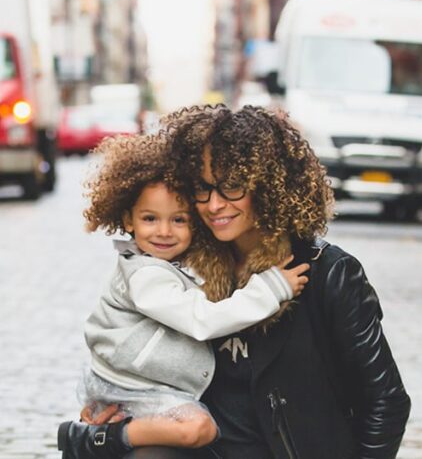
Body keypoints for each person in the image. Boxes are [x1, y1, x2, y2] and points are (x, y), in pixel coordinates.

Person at [88, 105, 412, 458]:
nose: (214, 204)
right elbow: (133, 351)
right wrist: (117, 416)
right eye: (203, 188)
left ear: (268, 185)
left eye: (232, 187)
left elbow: (386, 401)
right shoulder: (183, 267)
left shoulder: (328, 274)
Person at [59, 132, 311, 459]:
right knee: (199, 429)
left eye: (179, 220)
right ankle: (98, 439)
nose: (164, 231)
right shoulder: (145, 275)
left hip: (140, 383)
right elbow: (201, 320)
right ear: (127, 219)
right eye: (150, 219)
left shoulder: (173, 265)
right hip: (133, 387)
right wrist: (271, 289)